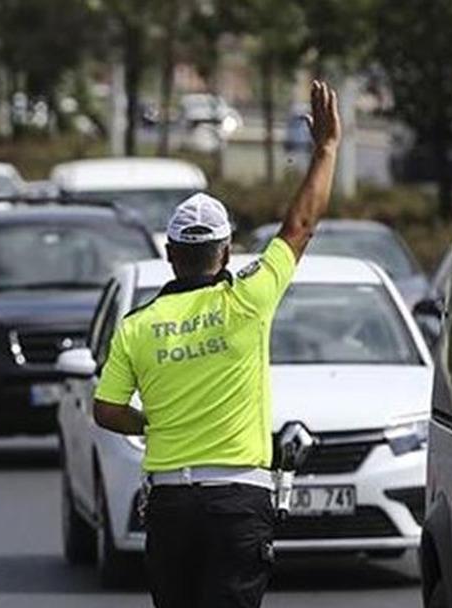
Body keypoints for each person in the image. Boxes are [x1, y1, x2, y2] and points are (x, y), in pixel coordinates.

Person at [92, 80, 341, 608]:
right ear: (226, 253)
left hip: (171, 505)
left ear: (169, 252)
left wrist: (154, 423)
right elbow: (300, 225)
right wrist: (326, 150)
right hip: (239, 502)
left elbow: (107, 409)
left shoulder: (138, 325)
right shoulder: (249, 301)